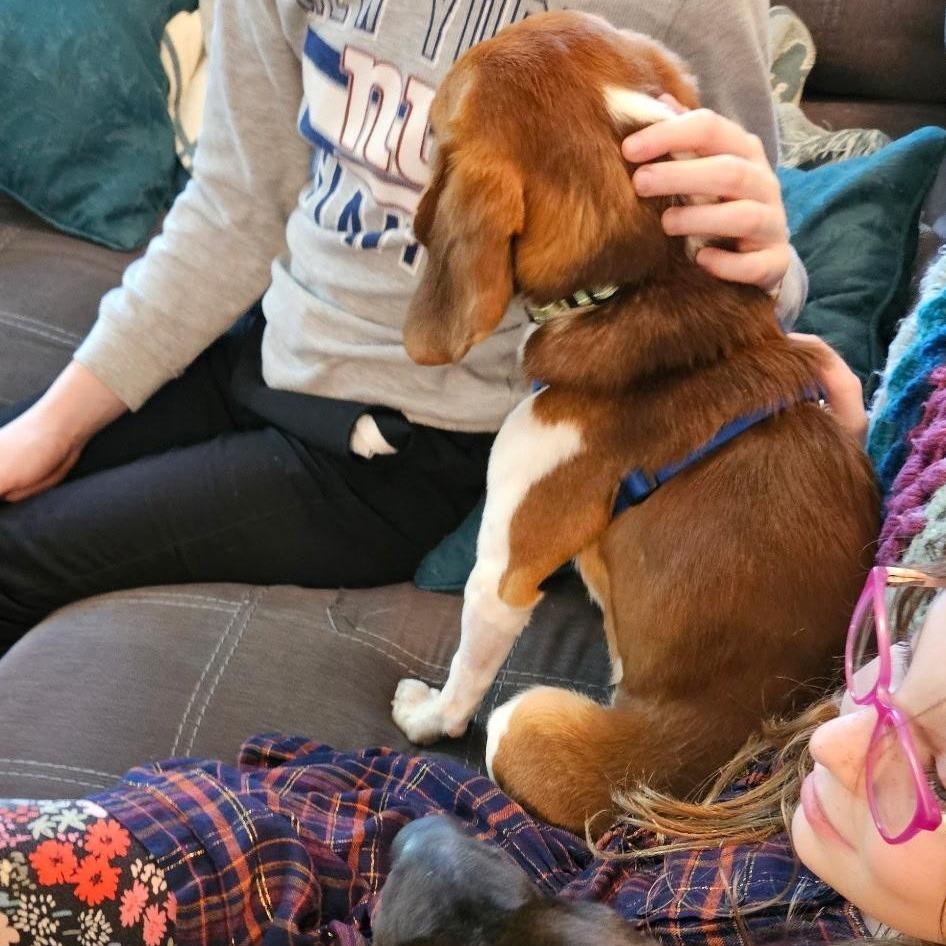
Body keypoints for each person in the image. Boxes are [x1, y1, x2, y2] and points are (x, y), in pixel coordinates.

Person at [0, 0, 809, 646]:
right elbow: (234, 207)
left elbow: (740, 252)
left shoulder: (693, 11)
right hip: (264, 350)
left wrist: (773, 260)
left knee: (19, 557)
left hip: (402, 454)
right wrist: (49, 427)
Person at [1, 542, 944, 946]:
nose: (835, 739)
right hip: (598, 866)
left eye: (940, 767)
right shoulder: (834, 814)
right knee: (239, 828)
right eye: (897, 649)